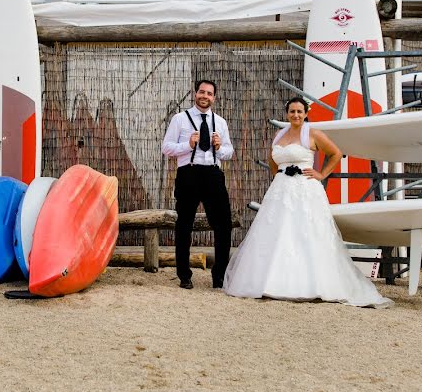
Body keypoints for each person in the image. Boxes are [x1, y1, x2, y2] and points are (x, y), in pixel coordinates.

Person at [223, 97, 392, 308]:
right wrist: (279, 177)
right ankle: (271, 282)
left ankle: (313, 284)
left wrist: (321, 174)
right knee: (277, 233)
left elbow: (336, 153)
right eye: (292, 111)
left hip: (305, 190)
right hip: (281, 191)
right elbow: (273, 160)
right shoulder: (280, 134)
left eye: (299, 112)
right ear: (287, 113)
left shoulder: (313, 134)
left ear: (305, 113)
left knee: (306, 233)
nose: (295, 115)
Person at [161, 80, 234, 290]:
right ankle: (184, 275)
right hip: (188, 174)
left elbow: (229, 152)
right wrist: (188, 145)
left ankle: (218, 275)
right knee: (184, 225)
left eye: (209, 93)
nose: (205, 96)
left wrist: (220, 148)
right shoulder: (179, 119)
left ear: (214, 98)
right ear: (195, 93)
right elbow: (166, 147)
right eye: (202, 92)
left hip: (213, 173)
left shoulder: (220, 122)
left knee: (223, 225)